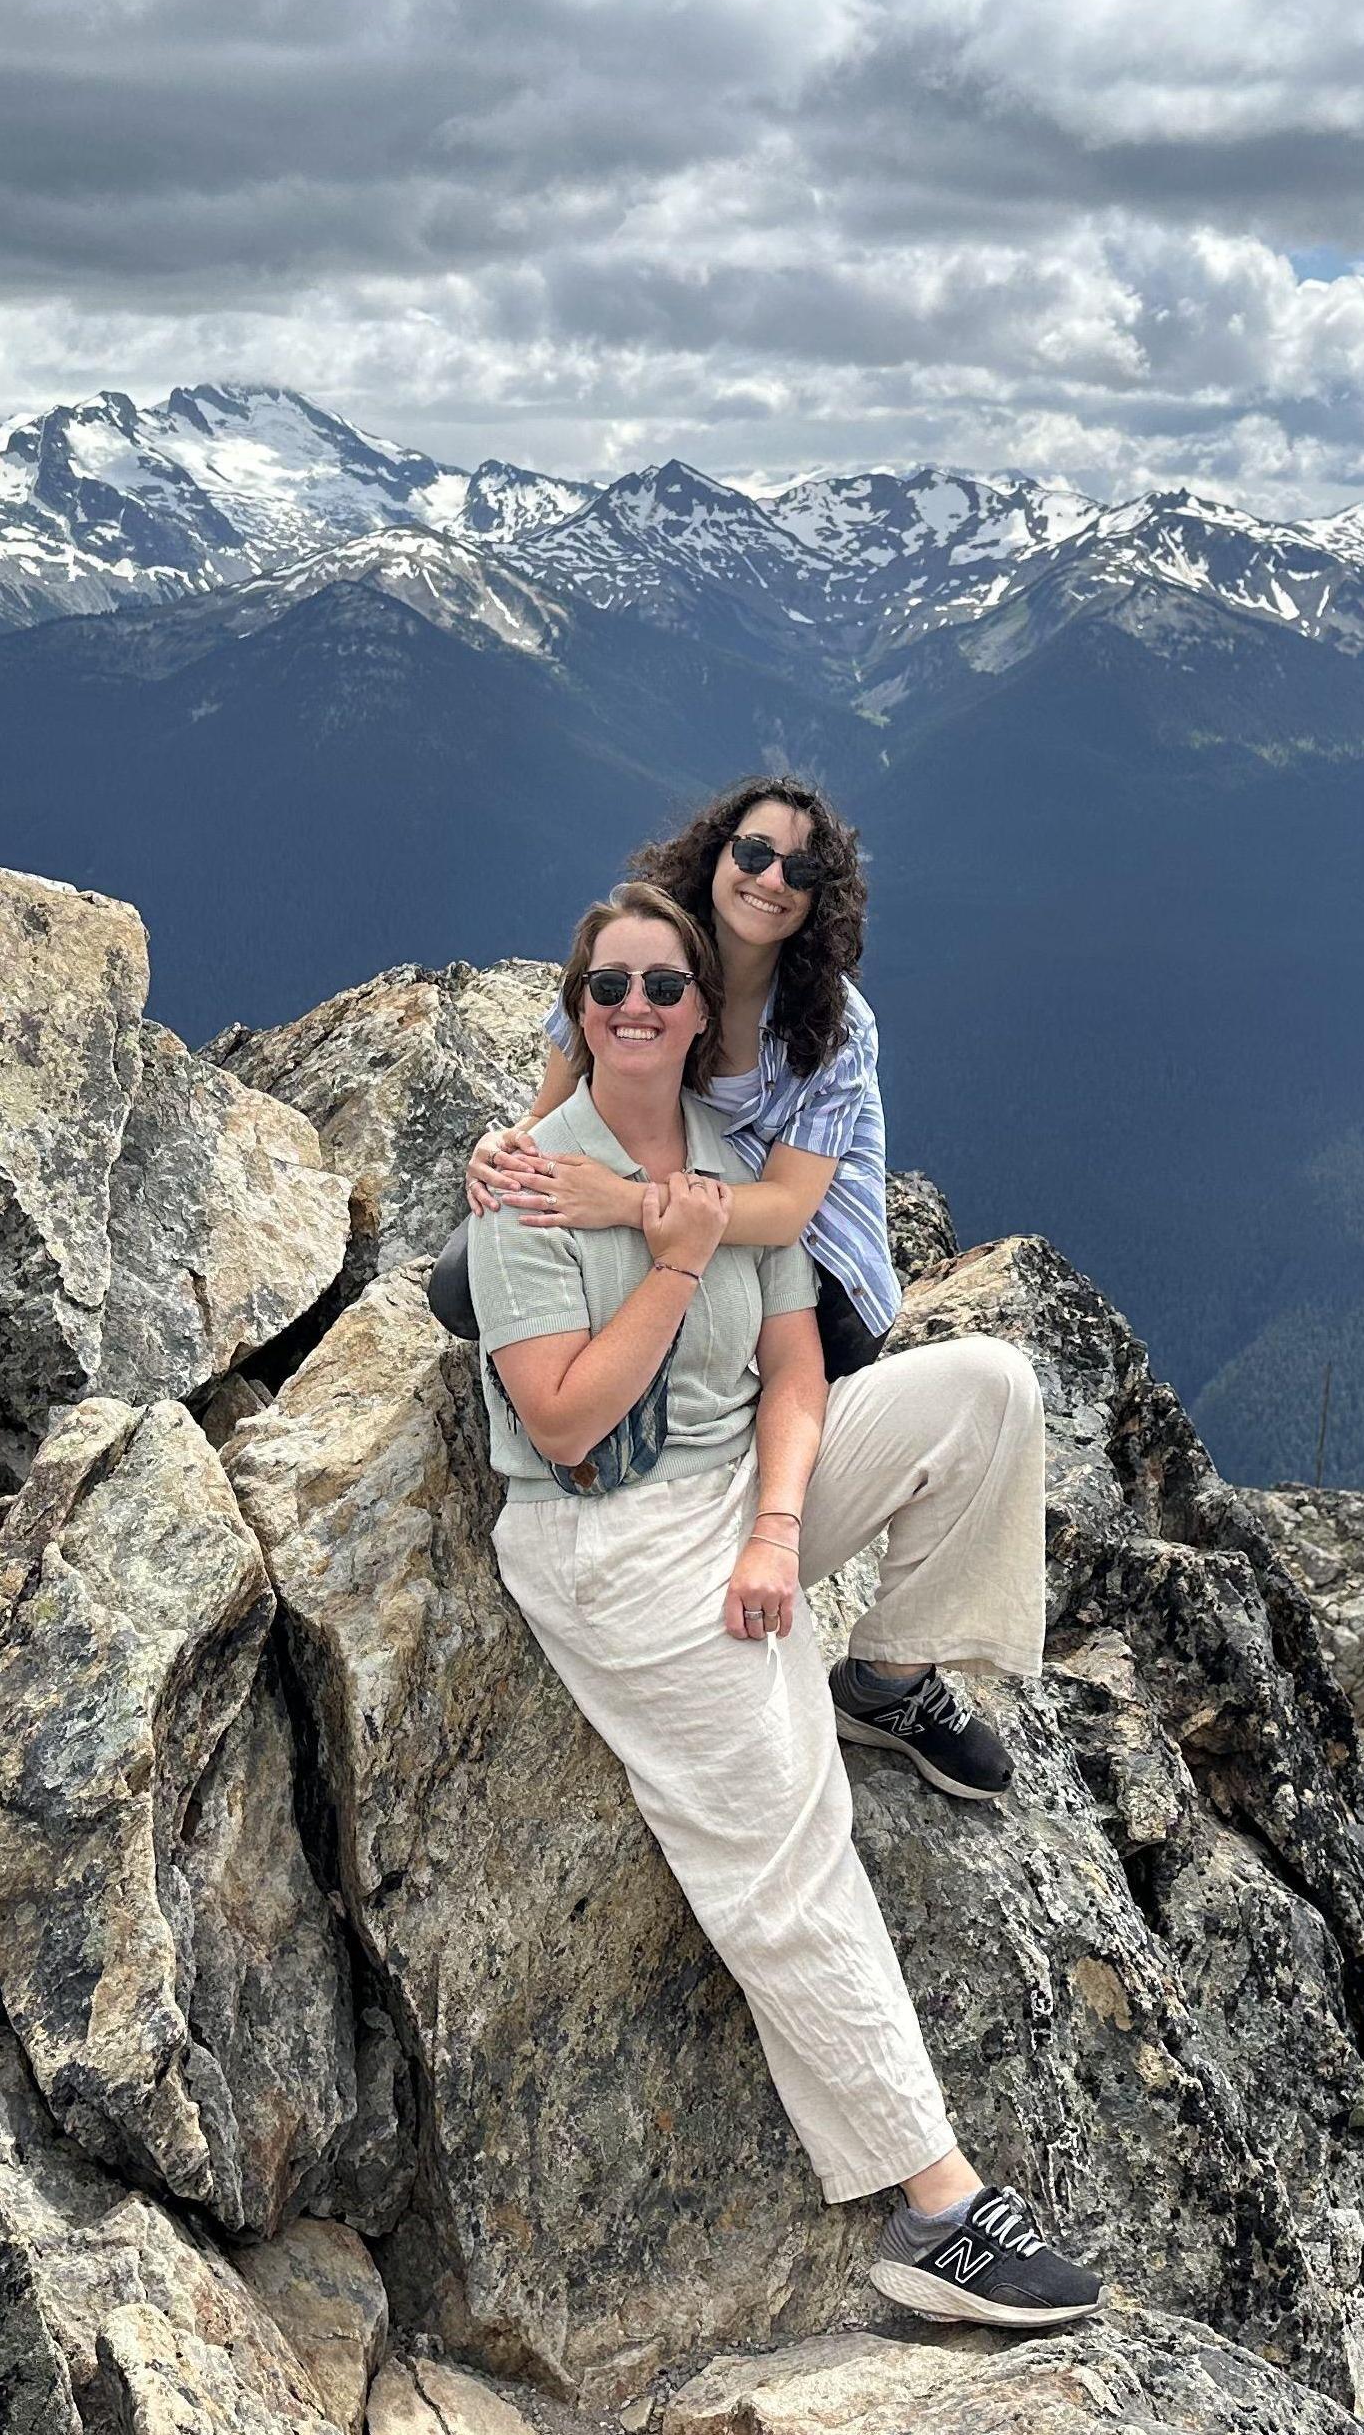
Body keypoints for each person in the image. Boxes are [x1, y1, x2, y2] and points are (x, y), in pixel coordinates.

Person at [467, 881, 1104, 2329]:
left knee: (986, 1388)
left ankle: (883, 1670)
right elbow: (563, 1418)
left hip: (731, 1494)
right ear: (580, 1011)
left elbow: (800, 1366)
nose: (638, 1006)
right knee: (781, 1819)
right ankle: (934, 2209)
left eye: (665, 987)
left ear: (702, 1015)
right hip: (612, 1531)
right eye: (610, 986)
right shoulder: (523, 1182)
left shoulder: (726, 1152)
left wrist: (774, 1528)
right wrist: (679, 1256)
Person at [437, 776, 894, 1382]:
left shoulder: (835, 1022)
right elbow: (547, 1112)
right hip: (676, 1190)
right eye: (754, 854)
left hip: (805, 1261)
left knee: (781, 1348)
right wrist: (504, 1145)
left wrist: (624, 1204)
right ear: (718, 853)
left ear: (819, 898)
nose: (772, 881)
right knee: (461, 1285)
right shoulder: (644, 948)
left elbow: (787, 1209)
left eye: (802, 873)